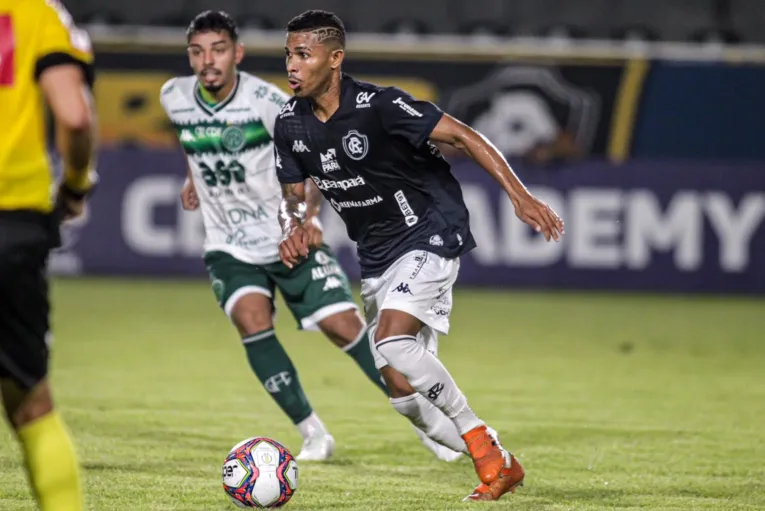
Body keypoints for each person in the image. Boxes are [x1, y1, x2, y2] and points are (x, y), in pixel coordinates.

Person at [274, 10, 565, 502]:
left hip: (430, 228)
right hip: (376, 255)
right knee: (401, 394)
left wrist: (520, 194)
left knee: (391, 343)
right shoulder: (290, 122)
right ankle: (502, 462)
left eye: (303, 54)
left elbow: (465, 137)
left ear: (335, 58)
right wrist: (296, 223)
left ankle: (479, 440)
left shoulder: (379, 105)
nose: (292, 65)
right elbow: (293, 194)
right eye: (288, 54)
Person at [159, 10, 462, 463]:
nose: (208, 61)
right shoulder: (173, 95)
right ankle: (313, 433)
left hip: (286, 237)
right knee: (251, 320)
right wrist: (192, 176)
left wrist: (308, 218)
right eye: (197, 52)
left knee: (343, 328)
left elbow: (313, 161)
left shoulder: (268, 102)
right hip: (228, 243)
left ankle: (425, 422)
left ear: (236, 54)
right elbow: (192, 138)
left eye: (218, 50)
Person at [0, 0, 98, 509]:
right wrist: (76, 186)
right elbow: (74, 116)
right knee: (31, 405)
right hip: (11, 221)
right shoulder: (37, 14)